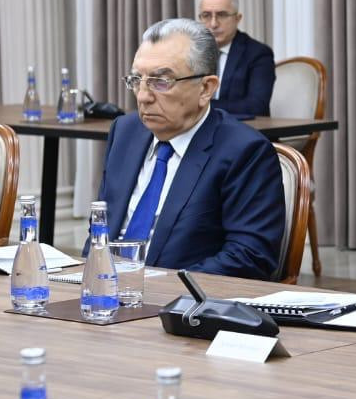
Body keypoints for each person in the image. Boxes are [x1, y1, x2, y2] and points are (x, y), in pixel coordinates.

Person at [95, 19, 285, 279]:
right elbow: (100, 228)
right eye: (137, 80)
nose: (143, 96)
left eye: (161, 81)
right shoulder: (125, 132)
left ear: (206, 88)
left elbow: (249, 256)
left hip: (180, 297)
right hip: (106, 291)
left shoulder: (244, 151)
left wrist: (163, 286)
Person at [198, 0, 275, 117]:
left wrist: (199, 105)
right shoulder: (192, 52)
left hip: (239, 127)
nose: (214, 24)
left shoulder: (258, 54)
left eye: (222, 15)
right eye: (206, 15)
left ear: (237, 18)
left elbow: (257, 106)